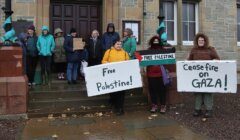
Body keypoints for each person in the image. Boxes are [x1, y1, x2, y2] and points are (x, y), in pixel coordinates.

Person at [188, 32, 220, 118]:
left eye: (202, 40)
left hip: (208, 77)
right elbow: (189, 61)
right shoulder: (193, 50)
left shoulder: (210, 49)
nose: (201, 41)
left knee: (208, 93)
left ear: (205, 41)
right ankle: (197, 109)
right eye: (199, 40)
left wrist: (215, 60)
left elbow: (217, 58)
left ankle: (209, 109)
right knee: (198, 93)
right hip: (197, 77)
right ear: (197, 41)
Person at [102, 40, 129, 115]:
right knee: (113, 92)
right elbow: (103, 61)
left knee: (121, 93)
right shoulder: (109, 51)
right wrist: (108, 63)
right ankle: (113, 103)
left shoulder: (124, 53)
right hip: (111, 76)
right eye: (117, 44)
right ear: (114, 45)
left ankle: (120, 108)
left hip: (122, 77)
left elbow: (128, 63)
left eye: (120, 44)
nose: (119, 45)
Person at [146, 36, 173, 114]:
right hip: (151, 74)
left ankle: (163, 105)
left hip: (161, 74)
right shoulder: (148, 50)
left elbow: (169, 57)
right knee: (152, 90)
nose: (155, 42)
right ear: (152, 42)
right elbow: (141, 58)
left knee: (162, 91)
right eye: (154, 41)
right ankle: (154, 105)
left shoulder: (163, 50)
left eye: (157, 41)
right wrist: (137, 55)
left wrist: (172, 51)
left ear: (159, 41)